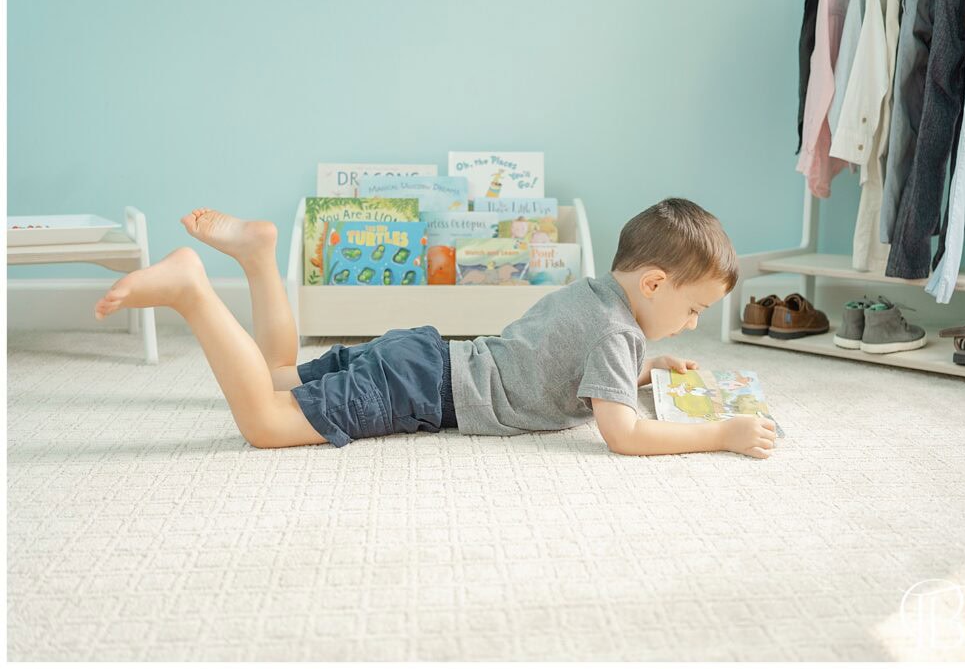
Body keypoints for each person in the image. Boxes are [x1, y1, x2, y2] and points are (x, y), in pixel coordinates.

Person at [93, 198, 777, 458]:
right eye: (694, 308)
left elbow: (560, 361)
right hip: (419, 389)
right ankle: (192, 292)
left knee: (275, 378)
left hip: (422, 355)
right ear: (653, 284)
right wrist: (721, 433)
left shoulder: (596, 295)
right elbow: (623, 435)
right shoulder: (618, 333)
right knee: (265, 423)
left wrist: (645, 372)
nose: (691, 323)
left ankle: (258, 258)